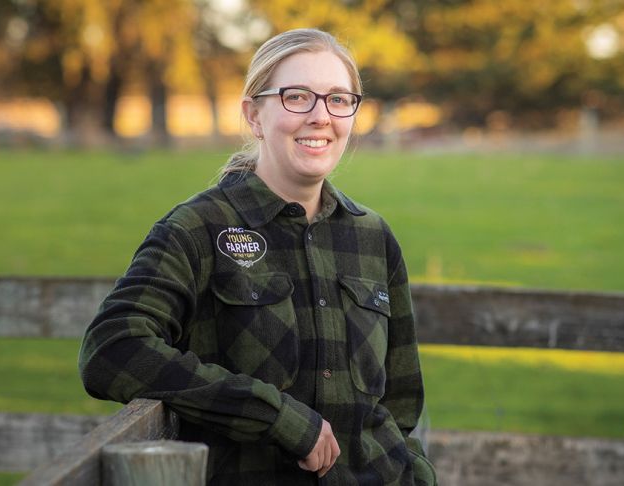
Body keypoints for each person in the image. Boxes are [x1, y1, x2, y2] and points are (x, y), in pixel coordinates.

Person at [79, 28, 437, 486]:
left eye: (338, 99)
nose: (320, 116)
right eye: (297, 97)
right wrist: (274, 416)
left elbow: (400, 406)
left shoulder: (373, 237)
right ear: (254, 115)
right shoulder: (198, 228)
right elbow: (112, 347)